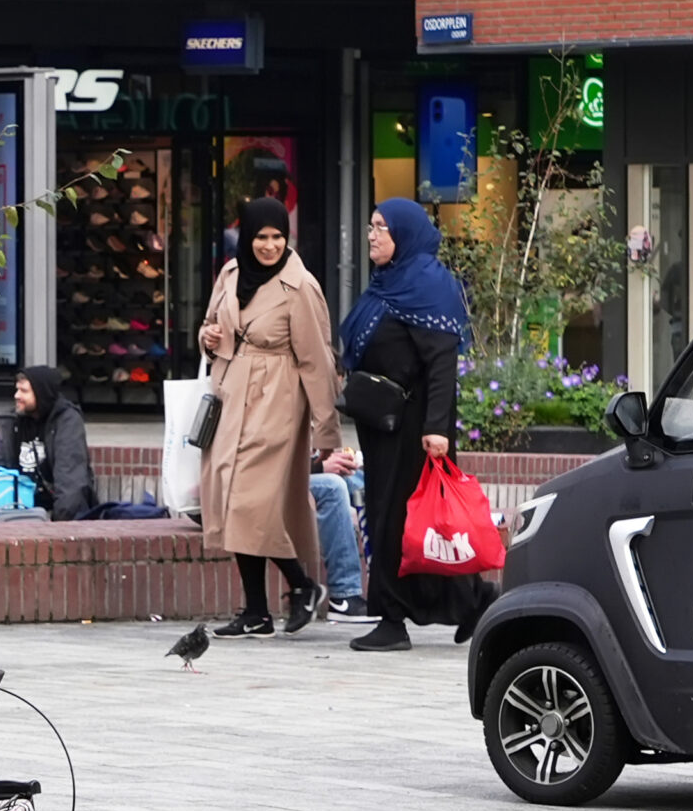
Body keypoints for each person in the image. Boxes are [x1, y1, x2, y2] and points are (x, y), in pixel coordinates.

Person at [342, 198, 492, 652]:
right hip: (384, 423)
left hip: (415, 428)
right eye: (370, 226)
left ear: (404, 235)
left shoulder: (428, 284)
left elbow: (442, 364)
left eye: (382, 228)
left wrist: (437, 429)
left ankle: (391, 618)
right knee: (406, 521)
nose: (372, 235)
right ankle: (474, 602)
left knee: (401, 520)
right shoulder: (389, 282)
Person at [195, 197, 343, 639]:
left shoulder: (301, 287)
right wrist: (209, 337)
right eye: (261, 236)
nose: (270, 245)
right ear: (247, 236)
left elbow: (318, 360)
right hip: (231, 393)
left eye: (278, 236)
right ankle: (257, 611)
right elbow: (211, 327)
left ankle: (302, 585)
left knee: (249, 501)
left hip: (278, 398)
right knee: (232, 500)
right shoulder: (230, 273)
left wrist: (326, 430)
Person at [9, 365, 95, 520]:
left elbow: (70, 480)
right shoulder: (14, 422)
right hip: (18, 513)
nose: (17, 395)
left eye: (24, 391)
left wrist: (58, 525)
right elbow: (2, 472)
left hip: (55, 515)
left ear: (41, 393)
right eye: (17, 389)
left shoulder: (67, 421)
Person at [311, 459, 372, 621]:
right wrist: (318, 466)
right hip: (270, 481)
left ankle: (397, 591)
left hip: (302, 470)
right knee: (333, 486)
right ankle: (343, 595)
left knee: (366, 480)